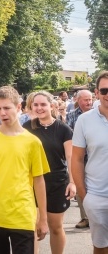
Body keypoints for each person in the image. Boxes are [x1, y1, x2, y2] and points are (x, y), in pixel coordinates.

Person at [0, 86, 50, 253]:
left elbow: (39, 180)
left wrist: (43, 219)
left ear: (18, 107)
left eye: (7, 108)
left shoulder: (32, 142)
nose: (2, 113)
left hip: (22, 214)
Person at [23, 91, 75, 254]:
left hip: (56, 183)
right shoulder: (26, 128)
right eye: (36, 105)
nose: (39, 108)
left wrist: (72, 182)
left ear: (51, 106)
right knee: (33, 226)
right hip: (31, 183)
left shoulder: (64, 129)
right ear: (31, 107)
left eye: (43, 104)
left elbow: (70, 157)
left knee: (56, 227)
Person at [72, 71, 108, 253]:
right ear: (97, 93)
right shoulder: (84, 120)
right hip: (97, 196)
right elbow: (77, 158)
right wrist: (84, 196)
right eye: (104, 90)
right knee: (100, 246)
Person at [66, 89, 93, 229]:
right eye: (85, 100)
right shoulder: (71, 116)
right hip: (80, 157)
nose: (89, 102)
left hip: (96, 157)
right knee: (80, 185)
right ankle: (85, 217)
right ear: (78, 100)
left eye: (90, 99)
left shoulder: (99, 113)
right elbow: (69, 137)